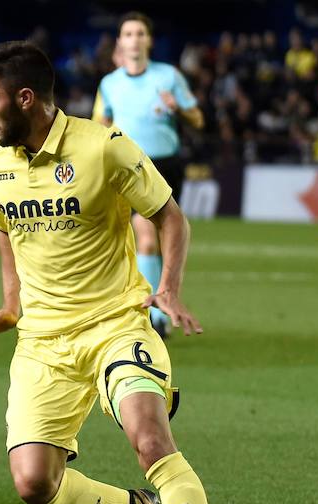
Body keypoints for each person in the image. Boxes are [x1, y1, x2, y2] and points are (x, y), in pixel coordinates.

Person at [0, 41, 243, 504]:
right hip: (43, 343)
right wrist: (9, 306)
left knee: (148, 435)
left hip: (117, 326)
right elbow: (6, 232)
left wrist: (167, 287)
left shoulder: (103, 148)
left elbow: (169, 215)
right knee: (34, 485)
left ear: (25, 99)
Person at [93, 13, 204, 337]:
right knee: (144, 237)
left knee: (156, 238)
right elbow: (99, 122)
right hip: (131, 166)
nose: (135, 39)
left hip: (167, 165)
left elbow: (197, 118)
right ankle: (154, 315)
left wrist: (179, 108)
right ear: (120, 42)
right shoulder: (110, 83)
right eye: (128, 33)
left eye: (140, 33)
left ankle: (152, 303)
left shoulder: (168, 76)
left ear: (149, 40)